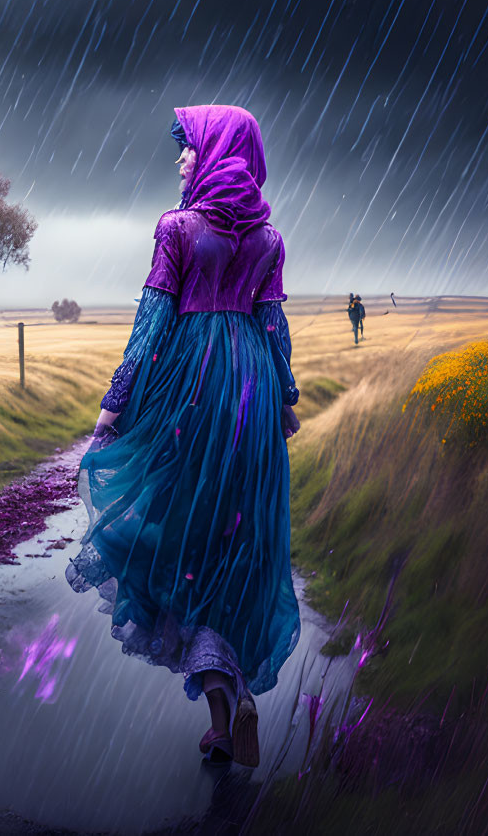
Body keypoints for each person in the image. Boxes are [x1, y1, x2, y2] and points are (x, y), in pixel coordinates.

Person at [65, 105, 301, 767]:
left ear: (217, 151)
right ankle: (237, 699)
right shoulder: (268, 239)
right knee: (241, 538)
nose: (180, 160)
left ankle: (223, 711)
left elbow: (152, 321)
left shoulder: (177, 228)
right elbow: (274, 325)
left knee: (188, 537)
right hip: (250, 389)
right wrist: (283, 397)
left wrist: (115, 405)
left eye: (188, 149)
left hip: (193, 388)